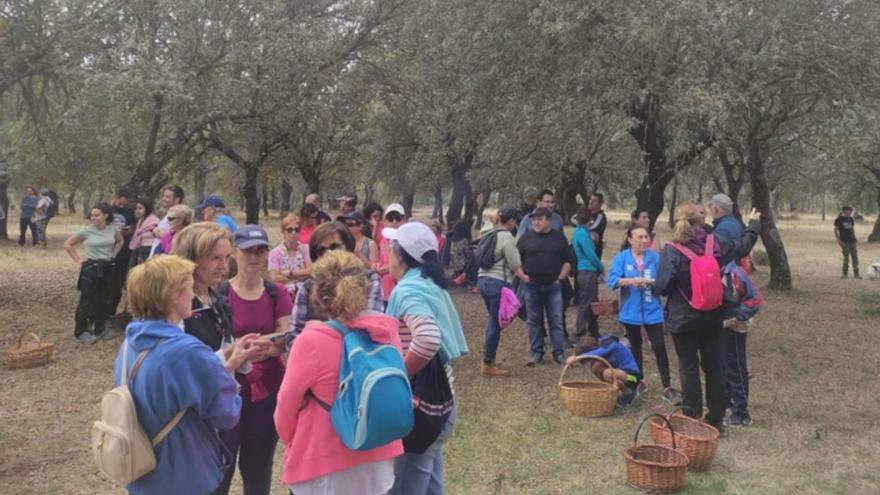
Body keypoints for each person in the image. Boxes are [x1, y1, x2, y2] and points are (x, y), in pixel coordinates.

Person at [115, 254, 265, 495]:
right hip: (183, 472)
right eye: (188, 288)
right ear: (173, 297)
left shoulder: (132, 342)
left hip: (144, 469)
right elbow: (226, 415)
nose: (192, 295)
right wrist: (227, 378)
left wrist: (229, 361)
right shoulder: (186, 350)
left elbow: (172, 388)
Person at [274, 250, 404, 495]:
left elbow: (285, 405)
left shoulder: (311, 341)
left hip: (323, 462)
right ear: (365, 289)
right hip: (377, 456)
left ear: (320, 297)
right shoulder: (386, 331)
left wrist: (293, 439)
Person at [654, 203, 761, 433]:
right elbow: (743, 246)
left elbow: (662, 286)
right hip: (712, 315)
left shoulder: (672, 249)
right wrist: (753, 225)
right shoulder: (715, 244)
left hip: (683, 319)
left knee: (688, 367)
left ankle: (692, 419)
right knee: (714, 367)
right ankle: (716, 420)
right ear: (702, 221)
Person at [384, 222, 468, 495]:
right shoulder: (429, 283)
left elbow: (428, 338)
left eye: (391, 247)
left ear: (401, 256)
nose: (387, 251)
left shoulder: (408, 290)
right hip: (440, 405)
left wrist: (400, 374)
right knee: (430, 487)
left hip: (420, 408)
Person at [220, 225, 293, 495]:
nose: (254, 257)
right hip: (228, 394)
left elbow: (285, 338)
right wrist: (239, 352)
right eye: (247, 251)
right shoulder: (219, 293)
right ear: (234, 254)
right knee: (220, 469)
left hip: (267, 394)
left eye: (260, 250)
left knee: (258, 470)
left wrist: (266, 349)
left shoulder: (277, 293)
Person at [608, 224, 680, 404]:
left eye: (645, 237)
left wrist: (651, 282)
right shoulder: (622, 258)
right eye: (639, 237)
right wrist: (632, 281)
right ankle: (638, 382)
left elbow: (665, 281)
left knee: (659, 347)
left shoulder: (655, 258)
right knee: (635, 348)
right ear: (629, 239)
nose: (643, 241)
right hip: (630, 312)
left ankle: (667, 387)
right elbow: (612, 281)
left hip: (652, 310)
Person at [282, 222, 384, 346]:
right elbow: (293, 335)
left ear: (349, 248)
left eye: (334, 247)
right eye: (321, 250)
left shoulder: (369, 280)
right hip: (316, 359)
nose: (329, 254)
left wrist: (319, 329)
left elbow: (369, 329)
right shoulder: (308, 287)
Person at [518, 207, 575, 366]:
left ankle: (559, 353)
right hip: (532, 285)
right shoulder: (526, 239)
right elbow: (517, 261)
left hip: (553, 286)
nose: (536, 222)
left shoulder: (559, 238)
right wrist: (523, 276)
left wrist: (561, 278)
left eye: (540, 219)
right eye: (534, 219)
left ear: (548, 220)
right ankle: (537, 352)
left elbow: (568, 260)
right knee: (533, 320)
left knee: (555, 320)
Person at [64, 203, 124, 343]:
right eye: (92, 215)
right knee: (87, 300)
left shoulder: (112, 229)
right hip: (91, 268)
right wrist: (79, 259)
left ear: (106, 216)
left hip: (107, 267)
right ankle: (81, 331)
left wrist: (113, 254)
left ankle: (100, 328)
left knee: (103, 299)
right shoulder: (86, 231)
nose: (93, 218)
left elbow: (120, 241)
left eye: (97, 215)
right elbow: (68, 244)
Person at [476, 207, 525, 376]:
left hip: (482, 279)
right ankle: (488, 363)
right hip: (497, 282)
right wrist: (525, 277)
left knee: (493, 321)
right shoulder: (506, 236)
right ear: (511, 221)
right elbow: (514, 263)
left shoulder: (488, 233)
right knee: (495, 324)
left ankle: (489, 359)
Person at [721, 260, 762, 428]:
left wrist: (737, 316)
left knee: (736, 368)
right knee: (725, 366)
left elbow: (756, 299)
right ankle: (728, 401)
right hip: (721, 327)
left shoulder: (735, 272)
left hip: (735, 328)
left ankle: (741, 414)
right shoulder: (716, 270)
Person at [567, 335, 642, 407]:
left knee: (608, 373)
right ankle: (611, 391)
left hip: (632, 378)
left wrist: (577, 357)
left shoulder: (609, 344)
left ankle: (629, 393)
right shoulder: (601, 346)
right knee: (596, 366)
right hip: (621, 374)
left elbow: (599, 353)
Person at [572, 206, 604, 339]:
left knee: (592, 301)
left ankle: (593, 330)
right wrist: (601, 267)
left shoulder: (579, 231)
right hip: (587, 270)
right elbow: (590, 254)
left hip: (584, 270)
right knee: (586, 302)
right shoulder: (582, 233)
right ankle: (580, 331)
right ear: (589, 219)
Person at [268, 213, 312, 298]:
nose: (293, 233)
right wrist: (300, 277)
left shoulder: (306, 249)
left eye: (297, 229)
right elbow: (275, 278)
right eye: (289, 230)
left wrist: (289, 273)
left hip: (304, 295)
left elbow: (311, 272)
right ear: (283, 232)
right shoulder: (274, 253)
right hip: (282, 295)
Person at [108, 190, 137, 318]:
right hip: (106, 249)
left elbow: (134, 227)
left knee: (117, 283)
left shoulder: (129, 213)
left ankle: (111, 312)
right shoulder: (105, 209)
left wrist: (127, 231)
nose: (121, 206)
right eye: (119, 203)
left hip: (123, 251)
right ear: (115, 198)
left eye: (123, 204)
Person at [374, 203, 406, 306]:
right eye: (390, 218)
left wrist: (389, 268)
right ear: (385, 222)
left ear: (404, 220)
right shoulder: (383, 240)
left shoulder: (408, 240)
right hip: (386, 290)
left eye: (398, 218)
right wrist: (377, 265)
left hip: (403, 290)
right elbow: (381, 259)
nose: (395, 222)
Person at [150, 185, 184, 257]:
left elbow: (176, 239)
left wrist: (157, 233)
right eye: (163, 196)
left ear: (177, 199)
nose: (163, 199)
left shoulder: (178, 215)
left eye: (167, 197)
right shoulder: (168, 214)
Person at [129, 199, 160, 265]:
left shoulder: (153, 221)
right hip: (139, 249)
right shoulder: (140, 220)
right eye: (136, 208)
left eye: (140, 208)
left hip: (148, 249)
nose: (137, 210)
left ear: (147, 209)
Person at [834, 206, 860, 279]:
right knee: (846, 258)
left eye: (851, 211)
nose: (850, 213)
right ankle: (845, 273)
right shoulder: (839, 220)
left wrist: (855, 237)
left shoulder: (851, 219)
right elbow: (835, 230)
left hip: (852, 241)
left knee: (855, 257)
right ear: (844, 211)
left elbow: (852, 229)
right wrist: (839, 240)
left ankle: (856, 273)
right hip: (844, 241)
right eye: (848, 211)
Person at [587, 193, 607, 258]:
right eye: (590, 199)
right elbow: (573, 221)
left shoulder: (600, 217)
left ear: (600, 204)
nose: (591, 202)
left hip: (594, 252)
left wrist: (583, 226)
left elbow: (594, 229)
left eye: (594, 201)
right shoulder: (587, 214)